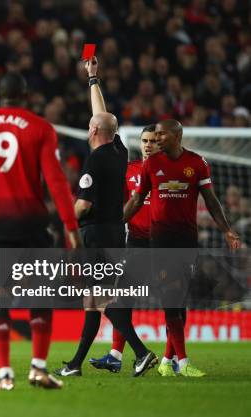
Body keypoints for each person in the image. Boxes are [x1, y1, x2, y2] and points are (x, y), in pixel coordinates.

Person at [0, 72, 81, 390]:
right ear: (25, 95)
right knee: (39, 295)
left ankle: (4, 375)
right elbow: (56, 182)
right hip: (30, 222)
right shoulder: (41, 128)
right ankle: (39, 369)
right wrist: (71, 227)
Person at [56, 57, 157, 378]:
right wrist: (93, 79)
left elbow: (82, 206)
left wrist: (65, 220)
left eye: (90, 126)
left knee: (100, 299)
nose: (87, 128)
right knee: (91, 299)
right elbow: (101, 117)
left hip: (96, 234)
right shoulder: (119, 153)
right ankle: (75, 365)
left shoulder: (95, 162)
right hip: (116, 232)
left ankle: (141, 352)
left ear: (95, 131)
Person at [124, 119, 241, 377]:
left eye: (161, 136)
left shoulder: (197, 163)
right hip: (161, 240)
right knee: (170, 298)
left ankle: (167, 360)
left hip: (187, 240)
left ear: (176, 136)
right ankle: (183, 362)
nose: (156, 141)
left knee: (179, 302)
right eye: (152, 138)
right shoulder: (151, 165)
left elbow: (211, 200)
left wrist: (226, 230)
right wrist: (116, 224)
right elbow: (136, 200)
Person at [89, 124, 159, 372]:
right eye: (145, 141)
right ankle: (116, 355)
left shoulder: (170, 172)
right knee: (120, 300)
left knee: (174, 304)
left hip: (164, 245)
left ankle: (174, 359)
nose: (148, 145)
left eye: (153, 141)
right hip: (136, 244)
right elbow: (117, 204)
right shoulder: (129, 171)